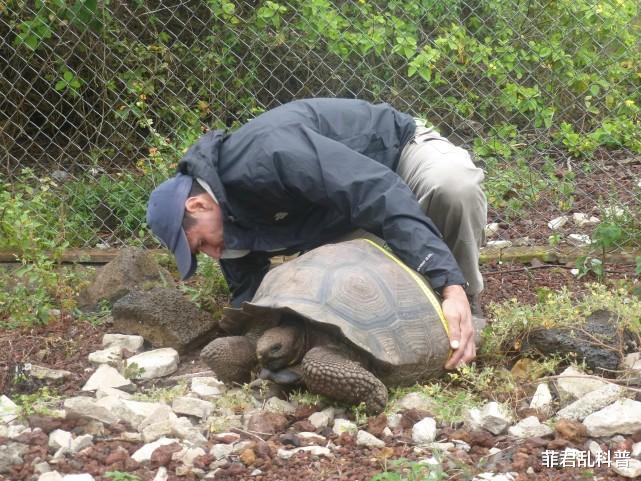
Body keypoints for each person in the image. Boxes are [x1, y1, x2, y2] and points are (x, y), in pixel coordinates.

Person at [146, 98, 487, 369]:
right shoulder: (226, 224)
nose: (211, 253)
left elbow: (375, 191)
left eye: (200, 243)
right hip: (343, 211)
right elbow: (252, 300)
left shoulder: (269, 153)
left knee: (454, 186)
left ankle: (463, 303)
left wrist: (449, 284)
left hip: (395, 157)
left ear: (197, 206)